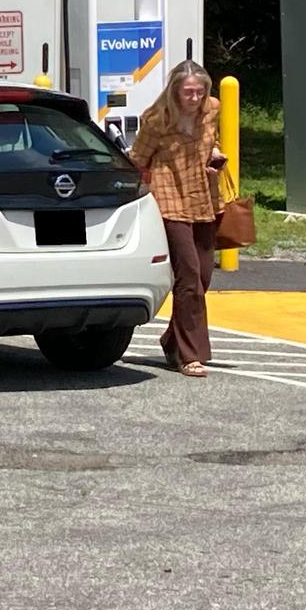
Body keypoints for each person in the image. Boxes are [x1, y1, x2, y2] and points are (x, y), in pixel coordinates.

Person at [128, 61, 224, 378]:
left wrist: (214, 156)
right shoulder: (156, 120)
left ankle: (171, 340)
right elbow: (138, 158)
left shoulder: (212, 109)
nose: (194, 98)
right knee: (189, 276)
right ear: (175, 91)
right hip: (169, 197)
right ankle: (189, 354)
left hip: (203, 196)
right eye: (188, 92)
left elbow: (211, 142)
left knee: (204, 277)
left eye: (200, 91)